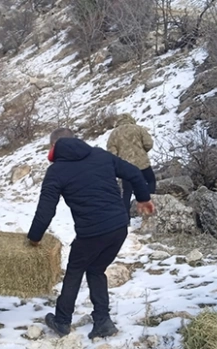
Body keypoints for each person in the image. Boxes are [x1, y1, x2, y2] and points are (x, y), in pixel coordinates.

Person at [27, 128, 155, 339]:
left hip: (92, 232)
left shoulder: (56, 171)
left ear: (53, 147)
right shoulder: (100, 155)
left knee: (75, 270)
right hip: (119, 227)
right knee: (95, 269)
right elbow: (133, 172)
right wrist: (143, 197)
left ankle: (61, 321)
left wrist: (34, 237)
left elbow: (45, 210)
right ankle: (103, 321)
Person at [106, 113, 155, 216]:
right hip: (143, 163)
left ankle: (126, 218)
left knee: (127, 192)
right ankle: (149, 207)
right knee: (151, 181)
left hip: (125, 167)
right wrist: (143, 152)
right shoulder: (139, 129)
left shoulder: (114, 133)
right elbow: (148, 143)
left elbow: (111, 153)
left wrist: (118, 163)